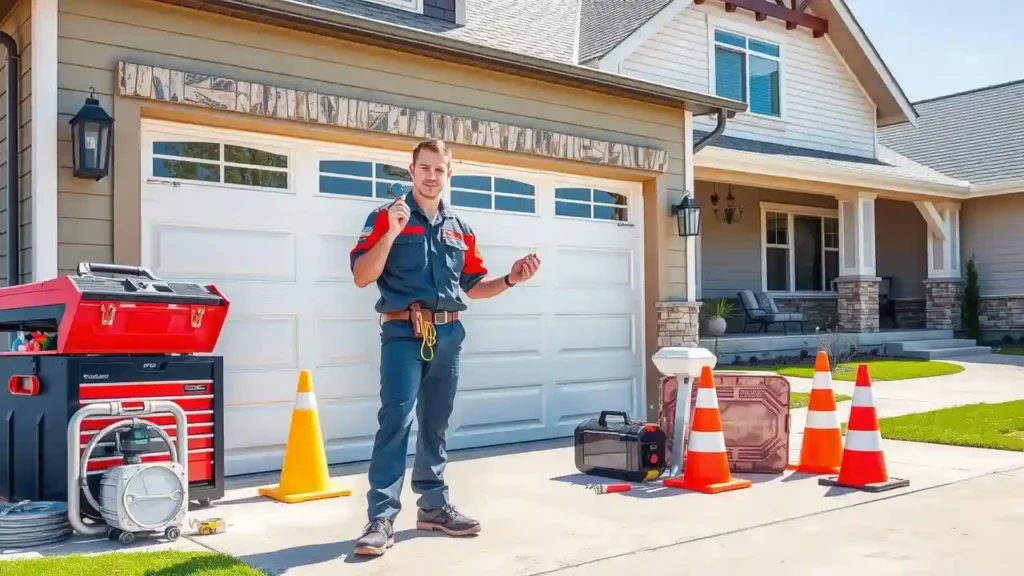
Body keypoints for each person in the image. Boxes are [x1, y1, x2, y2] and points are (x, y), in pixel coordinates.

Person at [348, 139, 541, 557]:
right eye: (425, 168)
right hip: (403, 333)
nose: (432, 176)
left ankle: (433, 507)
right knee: (396, 420)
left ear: (448, 175)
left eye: (440, 170)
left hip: (449, 336)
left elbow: (475, 287)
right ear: (412, 171)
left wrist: (511, 279)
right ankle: (380, 518)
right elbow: (362, 276)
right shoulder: (386, 217)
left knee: (436, 423)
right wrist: (391, 233)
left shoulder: (460, 228)